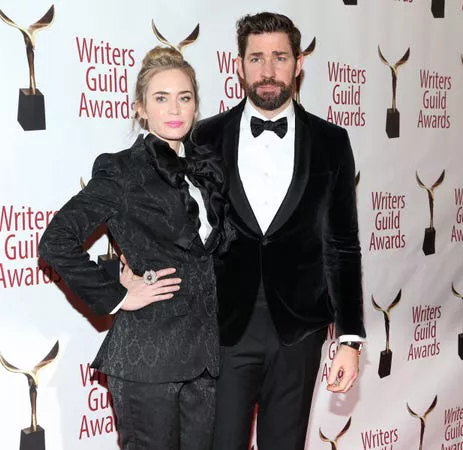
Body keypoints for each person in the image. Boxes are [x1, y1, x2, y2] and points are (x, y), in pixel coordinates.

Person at [38, 46, 232, 450]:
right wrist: (118, 295)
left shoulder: (207, 168)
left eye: (184, 97)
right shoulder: (122, 171)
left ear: (196, 104)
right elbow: (56, 242)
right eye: (160, 98)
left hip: (205, 358)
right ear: (141, 108)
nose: (174, 108)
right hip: (148, 359)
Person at [192, 12, 366, 450]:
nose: (268, 72)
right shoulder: (205, 138)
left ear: (299, 63)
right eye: (256, 59)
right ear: (239, 65)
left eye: (279, 58)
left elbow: (342, 245)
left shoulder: (332, 141)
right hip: (224, 327)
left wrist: (350, 339)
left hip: (299, 331)